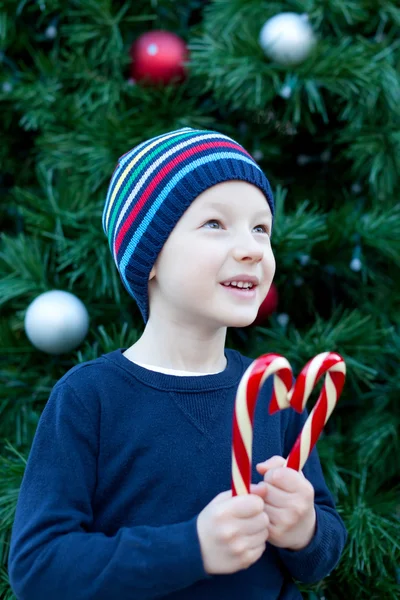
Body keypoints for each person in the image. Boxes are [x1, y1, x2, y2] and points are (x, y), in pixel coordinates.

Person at [8, 126, 347, 599]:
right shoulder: (91, 397)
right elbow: (38, 569)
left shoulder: (268, 390)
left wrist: (305, 529)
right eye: (215, 224)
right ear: (148, 255)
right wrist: (193, 547)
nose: (252, 247)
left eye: (261, 228)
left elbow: (320, 553)